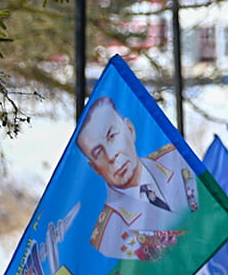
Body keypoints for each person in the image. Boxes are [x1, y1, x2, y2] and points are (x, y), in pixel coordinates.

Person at [78, 96, 198, 259]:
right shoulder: (107, 237)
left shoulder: (177, 160)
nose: (112, 155)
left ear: (130, 129)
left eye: (112, 136)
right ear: (94, 168)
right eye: (98, 153)